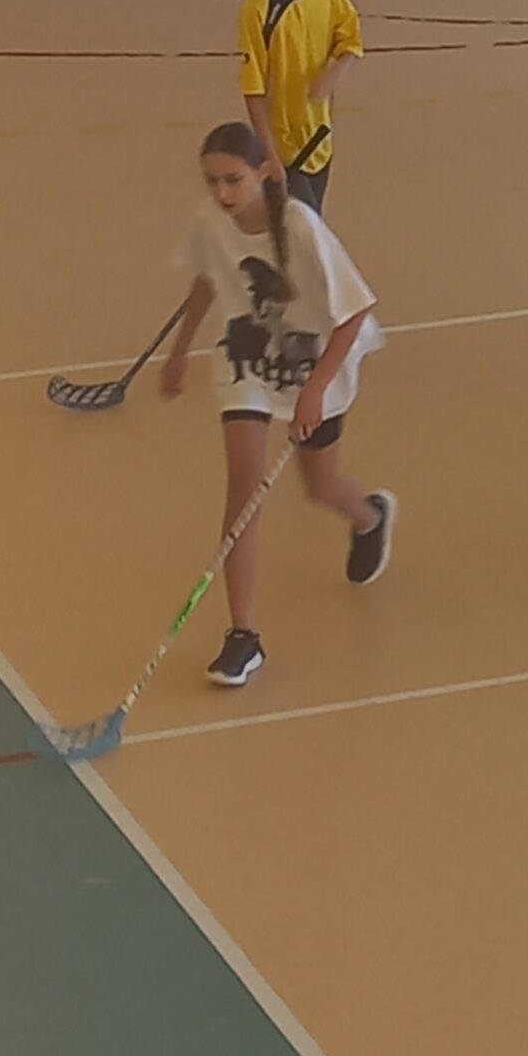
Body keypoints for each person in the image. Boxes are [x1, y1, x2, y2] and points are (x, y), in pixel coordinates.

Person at [160, 121, 395, 688]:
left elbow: (355, 311)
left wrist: (315, 389)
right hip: (246, 363)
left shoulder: (301, 226)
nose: (221, 192)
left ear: (263, 173)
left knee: (319, 486)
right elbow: (207, 280)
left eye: (233, 180)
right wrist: (181, 348)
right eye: (212, 180)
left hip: (318, 362)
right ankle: (243, 635)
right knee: (243, 491)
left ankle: (369, 517)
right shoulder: (210, 220)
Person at [238, 0, 362, 214]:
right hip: (284, 151)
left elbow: (351, 40)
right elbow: (253, 91)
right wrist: (271, 158)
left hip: (319, 140)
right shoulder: (257, 10)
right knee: (305, 230)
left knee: (308, 226)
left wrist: (334, 73)